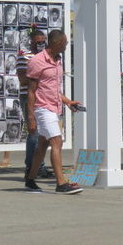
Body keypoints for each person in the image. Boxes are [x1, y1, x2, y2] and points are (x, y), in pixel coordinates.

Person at [25, 30, 83, 194]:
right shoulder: (37, 61)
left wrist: (68, 102)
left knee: (43, 144)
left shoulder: (58, 60)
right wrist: (31, 117)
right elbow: (31, 91)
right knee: (57, 142)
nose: (66, 45)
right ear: (57, 43)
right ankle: (61, 183)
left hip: (54, 107)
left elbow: (53, 89)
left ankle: (30, 179)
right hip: (42, 108)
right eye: (65, 43)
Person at [15, 30, 51, 178]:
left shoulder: (49, 56)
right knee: (34, 132)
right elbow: (23, 79)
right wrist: (42, 78)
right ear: (31, 42)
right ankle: (30, 166)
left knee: (46, 134)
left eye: (43, 41)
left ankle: (39, 165)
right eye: (38, 41)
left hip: (45, 97)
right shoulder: (24, 56)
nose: (41, 44)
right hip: (29, 97)